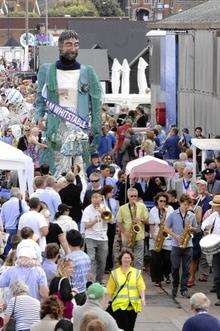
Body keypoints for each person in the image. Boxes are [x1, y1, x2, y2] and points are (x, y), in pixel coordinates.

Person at [36, 30, 102, 174]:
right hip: (56, 128)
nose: (73, 49)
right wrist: (38, 118)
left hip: (79, 126)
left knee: (79, 170)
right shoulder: (47, 70)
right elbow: (40, 100)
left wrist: (96, 130)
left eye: (76, 45)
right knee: (57, 169)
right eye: (68, 45)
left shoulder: (88, 72)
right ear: (60, 46)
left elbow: (97, 104)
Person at [166, 194, 198, 299]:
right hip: (176, 245)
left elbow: (197, 229)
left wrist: (191, 228)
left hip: (188, 245)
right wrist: (176, 236)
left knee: (186, 268)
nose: (186, 207)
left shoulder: (191, 215)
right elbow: (166, 228)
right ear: (180, 203)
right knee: (175, 267)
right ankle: (175, 286)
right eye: (184, 204)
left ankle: (184, 289)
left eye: (188, 205)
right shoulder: (173, 214)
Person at [106, 248, 146, 331]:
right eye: (125, 258)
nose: (127, 260)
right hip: (119, 306)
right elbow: (109, 290)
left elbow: (141, 286)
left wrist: (143, 299)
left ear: (131, 260)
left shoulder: (136, 272)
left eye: (129, 258)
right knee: (123, 327)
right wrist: (106, 303)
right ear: (121, 259)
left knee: (131, 328)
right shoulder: (115, 273)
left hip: (133, 306)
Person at [81, 192, 110, 283]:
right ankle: (91, 281)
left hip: (103, 237)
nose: (96, 200)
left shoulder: (105, 207)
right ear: (91, 200)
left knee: (102, 260)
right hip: (90, 237)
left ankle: (99, 281)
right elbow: (86, 225)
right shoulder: (87, 209)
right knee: (91, 259)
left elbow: (111, 221)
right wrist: (95, 220)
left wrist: (103, 213)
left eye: (98, 198)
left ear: (101, 199)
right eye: (94, 198)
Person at [117, 188, 149, 269]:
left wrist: (140, 220)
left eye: (135, 196)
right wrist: (125, 233)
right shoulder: (122, 208)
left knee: (139, 259)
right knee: (127, 259)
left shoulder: (142, 206)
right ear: (128, 196)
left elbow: (148, 221)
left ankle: (137, 278)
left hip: (139, 236)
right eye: (132, 196)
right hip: (127, 237)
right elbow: (119, 222)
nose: (134, 198)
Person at [149, 193, 174, 286]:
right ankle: (157, 279)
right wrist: (154, 236)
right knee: (156, 259)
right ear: (157, 201)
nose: (163, 203)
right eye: (161, 201)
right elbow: (151, 224)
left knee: (167, 259)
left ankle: (167, 274)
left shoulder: (170, 209)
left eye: (164, 201)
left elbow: (172, 223)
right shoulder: (153, 210)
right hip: (155, 237)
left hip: (167, 237)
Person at [201, 195, 220, 306]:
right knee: (217, 275)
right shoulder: (214, 215)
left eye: (217, 207)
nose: (216, 208)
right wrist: (207, 228)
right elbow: (204, 225)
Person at [0, 187, 28, 257]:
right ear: (19, 194)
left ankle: (8, 261)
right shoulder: (22, 203)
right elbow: (26, 214)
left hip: (8, 229)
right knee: (18, 247)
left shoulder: (4, 204)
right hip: (18, 228)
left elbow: (1, 219)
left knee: (8, 248)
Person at [66, 230, 91, 306]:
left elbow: (67, 277)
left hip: (74, 292)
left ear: (68, 242)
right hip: (84, 291)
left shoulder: (68, 258)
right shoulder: (86, 256)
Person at [101, 185, 119, 273]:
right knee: (104, 245)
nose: (112, 194)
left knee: (110, 245)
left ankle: (109, 265)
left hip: (112, 224)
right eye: (111, 192)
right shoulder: (102, 201)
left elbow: (115, 212)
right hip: (104, 225)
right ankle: (104, 265)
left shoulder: (113, 201)